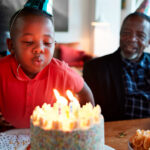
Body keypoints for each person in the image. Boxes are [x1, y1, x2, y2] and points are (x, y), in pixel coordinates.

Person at [0, 0, 94, 129]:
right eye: (28, 42)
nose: (39, 49)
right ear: (11, 45)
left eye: (47, 42)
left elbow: (84, 92)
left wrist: (85, 124)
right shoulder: (2, 70)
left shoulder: (61, 72)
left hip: (52, 138)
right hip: (12, 138)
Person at [83, 1, 150, 121]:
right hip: (117, 135)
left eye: (140, 35)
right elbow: (89, 115)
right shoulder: (95, 69)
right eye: (126, 33)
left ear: (148, 41)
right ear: (119, 34)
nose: (132, 39)